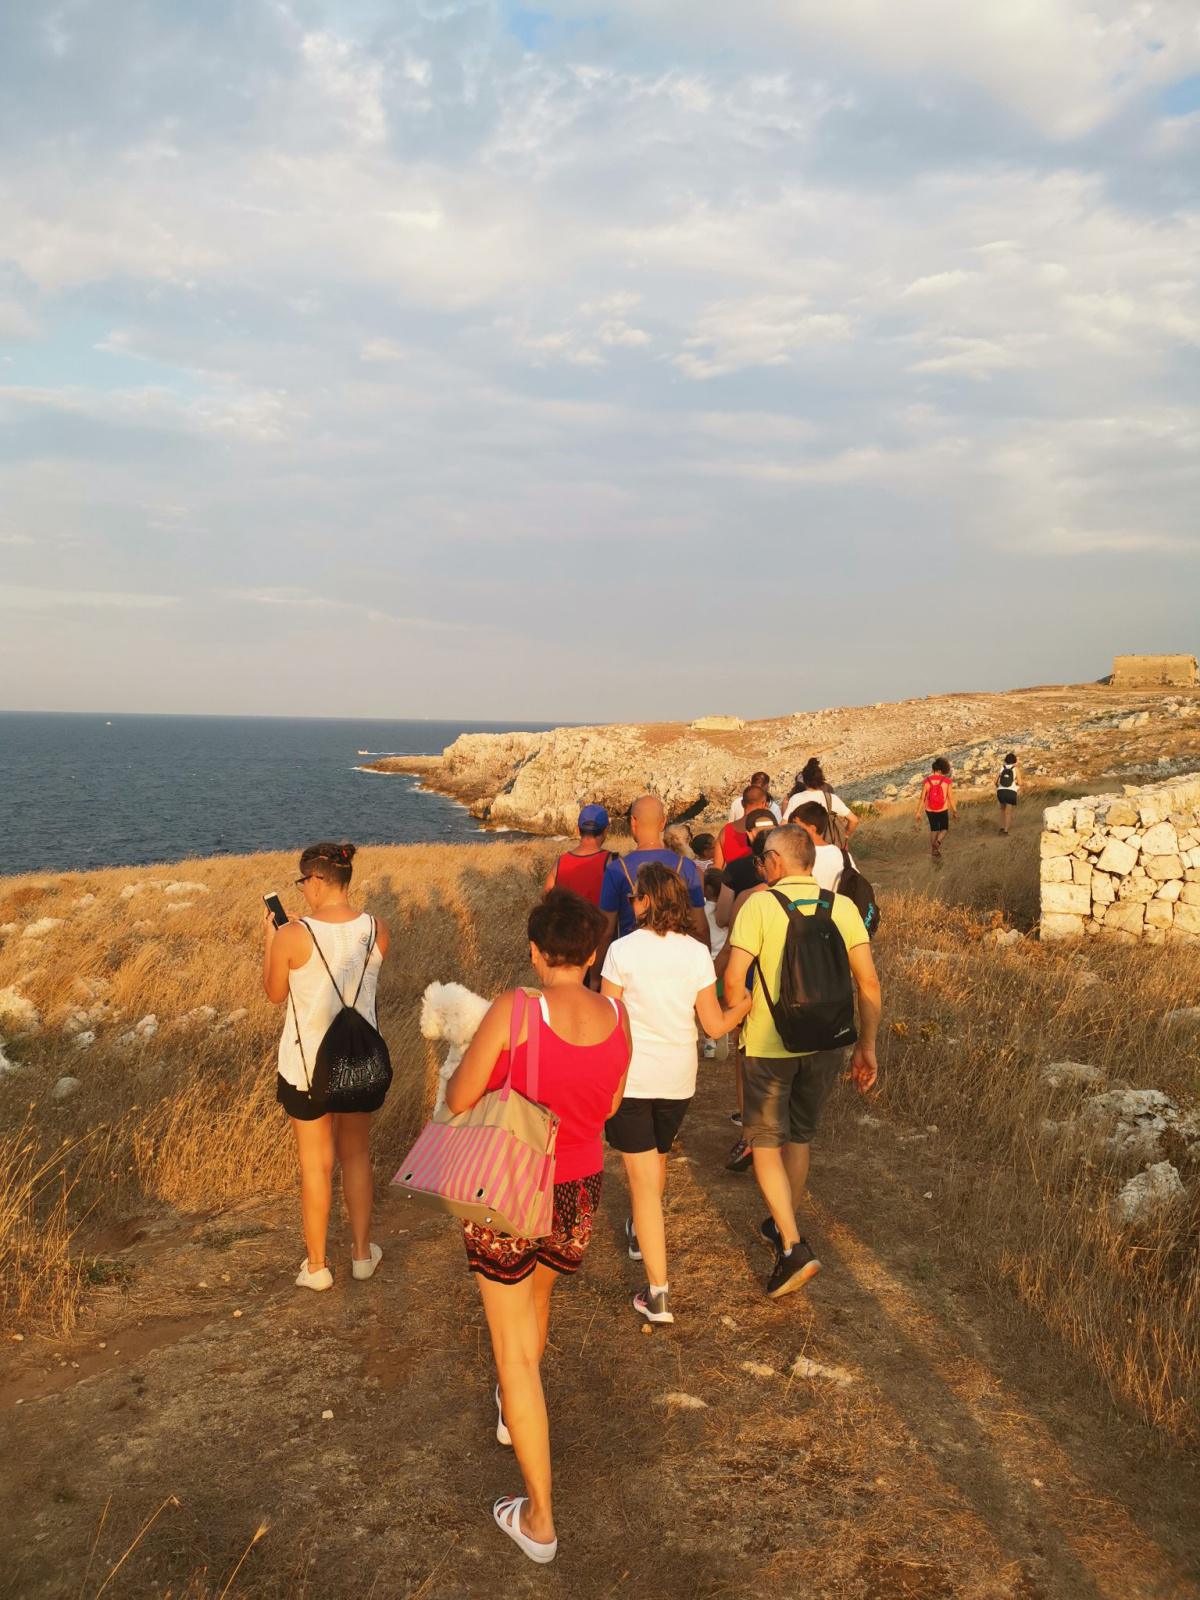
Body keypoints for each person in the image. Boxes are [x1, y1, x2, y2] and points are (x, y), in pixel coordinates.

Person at [444, 889, 632, 1566]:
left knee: (513, 1353)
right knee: (538, 1301)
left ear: (534, 950)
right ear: (590, 953)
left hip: (511, 1185)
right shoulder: (617, 1015)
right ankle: (510, 1412)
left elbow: (460, 1097)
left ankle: (540, 1518)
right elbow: (609, 1100)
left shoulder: (515, 1011)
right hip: (579, 1188)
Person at [723, 826, 881, 1298]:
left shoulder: (759, 906)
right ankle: (781, 1222)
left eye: (762, 861)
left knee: (765, 1141)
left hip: (772, 1046)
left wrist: (735, 1024)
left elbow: (735, 979)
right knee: (800, 1137)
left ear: (774, 861)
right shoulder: (843, 907)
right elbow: (868, 984)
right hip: (828, 1043)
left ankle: (793, 1246)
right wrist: (865, 1046)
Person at [601, 864, 751, 1324]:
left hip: (631, 1080)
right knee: (656, 1162)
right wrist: (741, 1007)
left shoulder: (621, 950)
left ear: (645, 900)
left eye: (634, 898)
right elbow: (712, 1025)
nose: (631, 904)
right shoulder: (695, 954)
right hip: (678, 1082)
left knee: (644, 1185)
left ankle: (658, 1292)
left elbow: (610, 1022)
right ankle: (636, 1232)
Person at [261, 842, 391, 1291]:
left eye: (303, 882)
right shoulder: (378, 929)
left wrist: (271, 938)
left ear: (316, 880)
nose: (302, 891)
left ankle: (316, 1266)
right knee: (356, 1156)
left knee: (315, 1164)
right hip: (360, 1063)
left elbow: (275, 992)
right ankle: (360, 1255)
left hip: (306, 1065)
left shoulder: (292, 935)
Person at [596, 795, 708, 971]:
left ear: (633, 822)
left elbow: (606, 931)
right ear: (663, 823)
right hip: (677, 964)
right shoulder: (685, 866)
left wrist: (596, 976)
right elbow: (700, 927)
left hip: (631, 963)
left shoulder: (617, 869)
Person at [543, 804, 612, 904]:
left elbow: (546, 903)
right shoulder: (612, 861)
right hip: (599, 919)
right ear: (605, 831)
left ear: (578, 830)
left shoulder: (559, 863)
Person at [782, 758, 858, 846]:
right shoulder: (831, 798)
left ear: (805, 780)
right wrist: (845, 835)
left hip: (805, 847)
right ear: (821, 780)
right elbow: (854, 820)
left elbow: (784, 824)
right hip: (829, 846)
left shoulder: (796, 798)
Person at [789, 801, 856, 893]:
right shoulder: (844, 856)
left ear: (812, 829)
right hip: (837, 906)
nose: (792, 830)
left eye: (796, 825)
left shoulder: (795, 855)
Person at [713, 784, 769, 870]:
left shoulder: (725, 830)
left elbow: (717, 868)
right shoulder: (767, 829)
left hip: (732, 882)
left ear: (742, 803)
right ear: (764, 804)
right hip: (762, 881)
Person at [916, 757, 956, 859]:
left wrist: (918, 812)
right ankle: (938, 842)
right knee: (944, 828)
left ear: (933, 769)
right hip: (942, 809)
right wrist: (954, 810)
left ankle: (933, 851)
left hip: (929, 809)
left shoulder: (926, 781)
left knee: (934, 829)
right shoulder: (947, 781)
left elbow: (922, 798)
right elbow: (950, 798)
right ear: (942, 769)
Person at [996, 752, 1019, 834]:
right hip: (1011, 792)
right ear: (1014, 760)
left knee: (1002, 810)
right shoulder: (1015, 769)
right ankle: (1006, 831)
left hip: (1001, 791)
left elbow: (995, 781)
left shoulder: (1001, 768)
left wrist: (999, 787)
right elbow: (1020, 782)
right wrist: (1016, 787)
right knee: (1008, 812)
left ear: (1006, 760)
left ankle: (1001, 828)